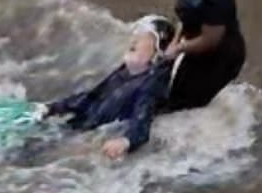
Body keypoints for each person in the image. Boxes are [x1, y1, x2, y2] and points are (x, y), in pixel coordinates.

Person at [42, 15, 177, 159]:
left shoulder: (151, 84)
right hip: (78, 127)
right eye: (136, 34)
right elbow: (89, 97)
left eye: (145, 36)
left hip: (87, 137)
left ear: (158, 51)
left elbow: (142, 122)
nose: (134, 39)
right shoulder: (123, 73)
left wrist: (126, 141)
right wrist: (53, 107)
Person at [161, 0, 246, 112]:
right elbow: (185, 14)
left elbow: (210, 40)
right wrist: (176, 39)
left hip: (219, 57)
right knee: (173, 92)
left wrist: (178, 49)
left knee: (181, 105)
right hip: (198, 44)